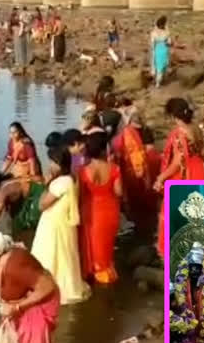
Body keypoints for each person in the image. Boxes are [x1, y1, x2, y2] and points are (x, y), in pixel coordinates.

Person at [31, 147, 91, 304]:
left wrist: (46, 185)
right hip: (63, 223)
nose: (49, 165)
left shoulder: (60, 182)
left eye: (51, 161)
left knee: (52, 254)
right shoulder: (72, 178)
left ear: (59, 163)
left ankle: (52, 288)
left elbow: (42, 205)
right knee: (64, 254)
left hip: (55, 224)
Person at [154, 98, 204, 258]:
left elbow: (178, 161)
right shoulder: (196, 129)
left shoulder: (178, 134)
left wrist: (161, 178)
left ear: (173, 116)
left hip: (184, 175)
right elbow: (203, 152)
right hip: (199, 171)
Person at [78, 132, 123, 284]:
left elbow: (80, 194)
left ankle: (93, 272)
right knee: (107, 245)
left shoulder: (83, 171)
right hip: (110, 209)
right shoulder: (114, 169)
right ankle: (106, 273)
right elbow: (119, 192)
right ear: (104, 149)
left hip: (91, 210)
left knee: (91, 244)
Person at [111, 111, 152, 236]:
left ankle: (138, 226)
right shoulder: (130, 134)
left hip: (133, 171)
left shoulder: (126, 134)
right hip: (135, 170)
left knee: (134, 199)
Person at [0, 170, 44, 243]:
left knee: (31, 221)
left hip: (36, 192)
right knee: (16, 225)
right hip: (25, 196)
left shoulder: (3, 191)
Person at [150, 16, 171, 87]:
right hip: (164, 49)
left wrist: (153, 51)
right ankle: (159, 81)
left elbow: (152, 44)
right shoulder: (166, 32)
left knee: (158, 66)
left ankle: (157, 83)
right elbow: (169, 42)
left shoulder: (153, 33)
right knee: (164, 65)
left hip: (157, 50)